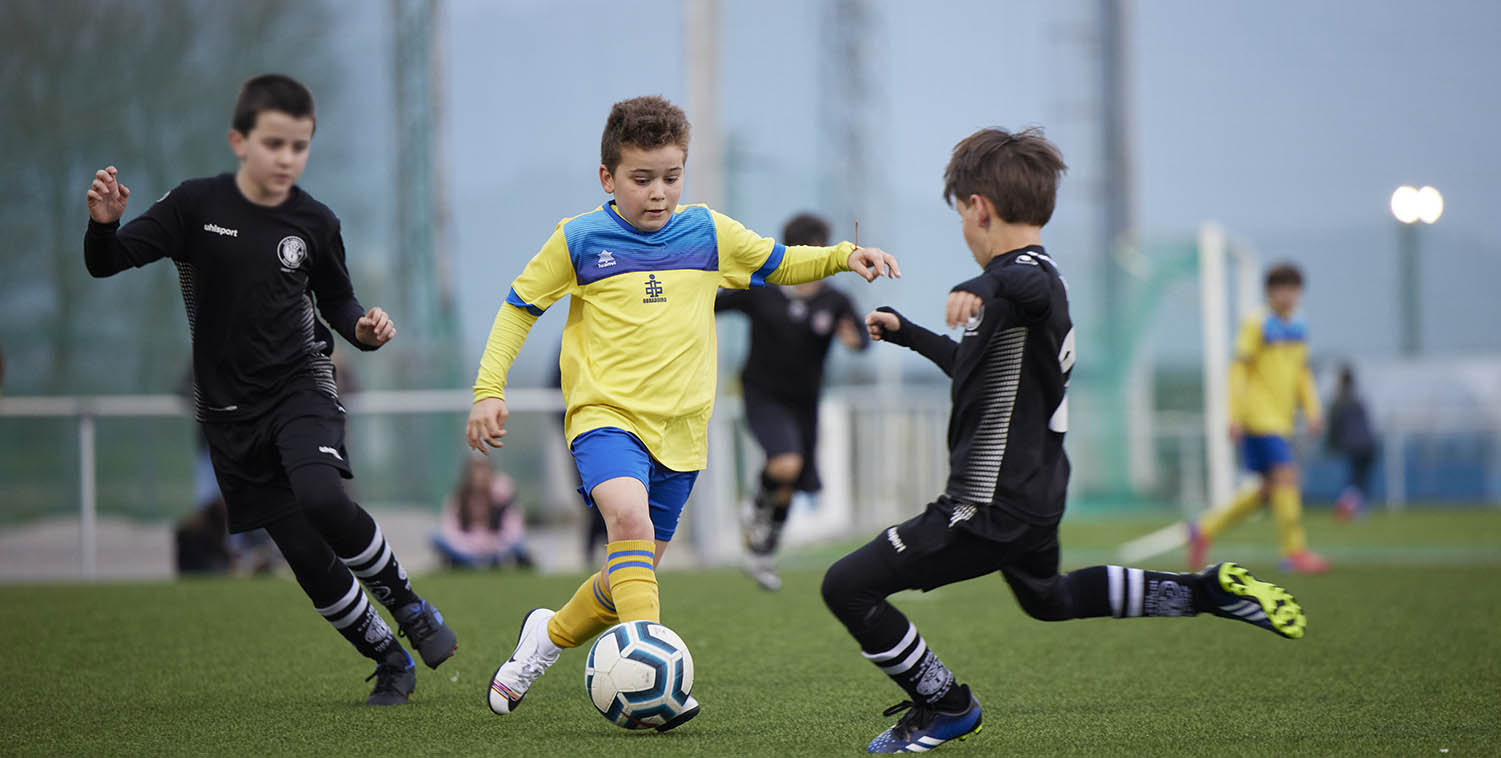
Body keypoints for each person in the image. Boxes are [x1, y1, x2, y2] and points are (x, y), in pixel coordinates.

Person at [820, 128, 1307, 754]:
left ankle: (947, 704)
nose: (964, 231)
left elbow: (1026, 285)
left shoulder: (1023, 278)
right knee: (1047, 598)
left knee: (847, 585)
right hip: (1036, 492)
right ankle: (1206, 592)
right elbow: (976, 368)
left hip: (989, 503)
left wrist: (983, 287)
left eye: (961, 216)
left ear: (979, 209)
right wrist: (909, 333)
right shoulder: (1027, 285)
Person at [466, 95, 900, 728]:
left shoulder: (708, 232)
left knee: (627, 578)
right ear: (608, 178)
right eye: (642, 179)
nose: (659, 192)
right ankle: (654, 680)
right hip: (604, 417)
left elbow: (777, 263)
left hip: (683, 431)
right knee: (629, 522)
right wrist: (488, 389)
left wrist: (841, 257)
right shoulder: (579, 240)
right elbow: (518, 307)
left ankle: (546, 639)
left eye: (671, 176)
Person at [82, 74, 456, 706]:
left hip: (300, 386)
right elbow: (106, 262)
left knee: (321, 497)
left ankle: (410, 606)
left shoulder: (314, 220)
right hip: (227, 415)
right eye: (274, 143)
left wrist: (363, 330)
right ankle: (388, 657)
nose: (287, 157)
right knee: (305, 556)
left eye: (299, 145)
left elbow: (338, 300)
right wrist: (103, 226)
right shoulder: (193, 207)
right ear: (240, 141)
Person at [715, 212, 870, 591]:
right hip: (762, 395)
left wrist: (855, 339)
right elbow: (711, 304)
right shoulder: (763, 290)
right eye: (807, 255)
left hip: (806, 404)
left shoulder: (835, 300)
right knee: (785, 464)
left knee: (789, 485)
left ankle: (762, 554)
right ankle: (753, 504)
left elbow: (860, 338)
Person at [1188, 263, 1329, 574]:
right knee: (1287, 474)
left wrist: (1313, 409)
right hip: (1258, 417)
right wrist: (1234, 415)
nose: (1288, 295)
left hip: (1281, 419)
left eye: (1293, 289)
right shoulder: (1257, 324)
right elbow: (1238, 369)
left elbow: (1301, 372)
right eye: (1281, 289)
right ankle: (1294, 551)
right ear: (1269, 291)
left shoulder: (1298, 326)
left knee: (1268, 490)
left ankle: (1204, 529)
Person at [434, 458, 535, 569]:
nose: (479, 479)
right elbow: (449, 533)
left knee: (518, 545)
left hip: (496, 549)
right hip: (466, 551)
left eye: (484, 474)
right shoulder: (458, 499)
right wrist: (472, 546)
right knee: (437, 539)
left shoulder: (503, 499)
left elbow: (514, 532)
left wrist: (492, 544)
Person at [1326, 363, 1376, 521]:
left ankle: (1347, 510)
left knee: (1353, 480)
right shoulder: (1358, 400)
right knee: (1360, 480)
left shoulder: (1339, 402)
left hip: (1353, 446)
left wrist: (1331, 445)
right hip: (1369, 445)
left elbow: (1333, 425)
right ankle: (1359, 511)